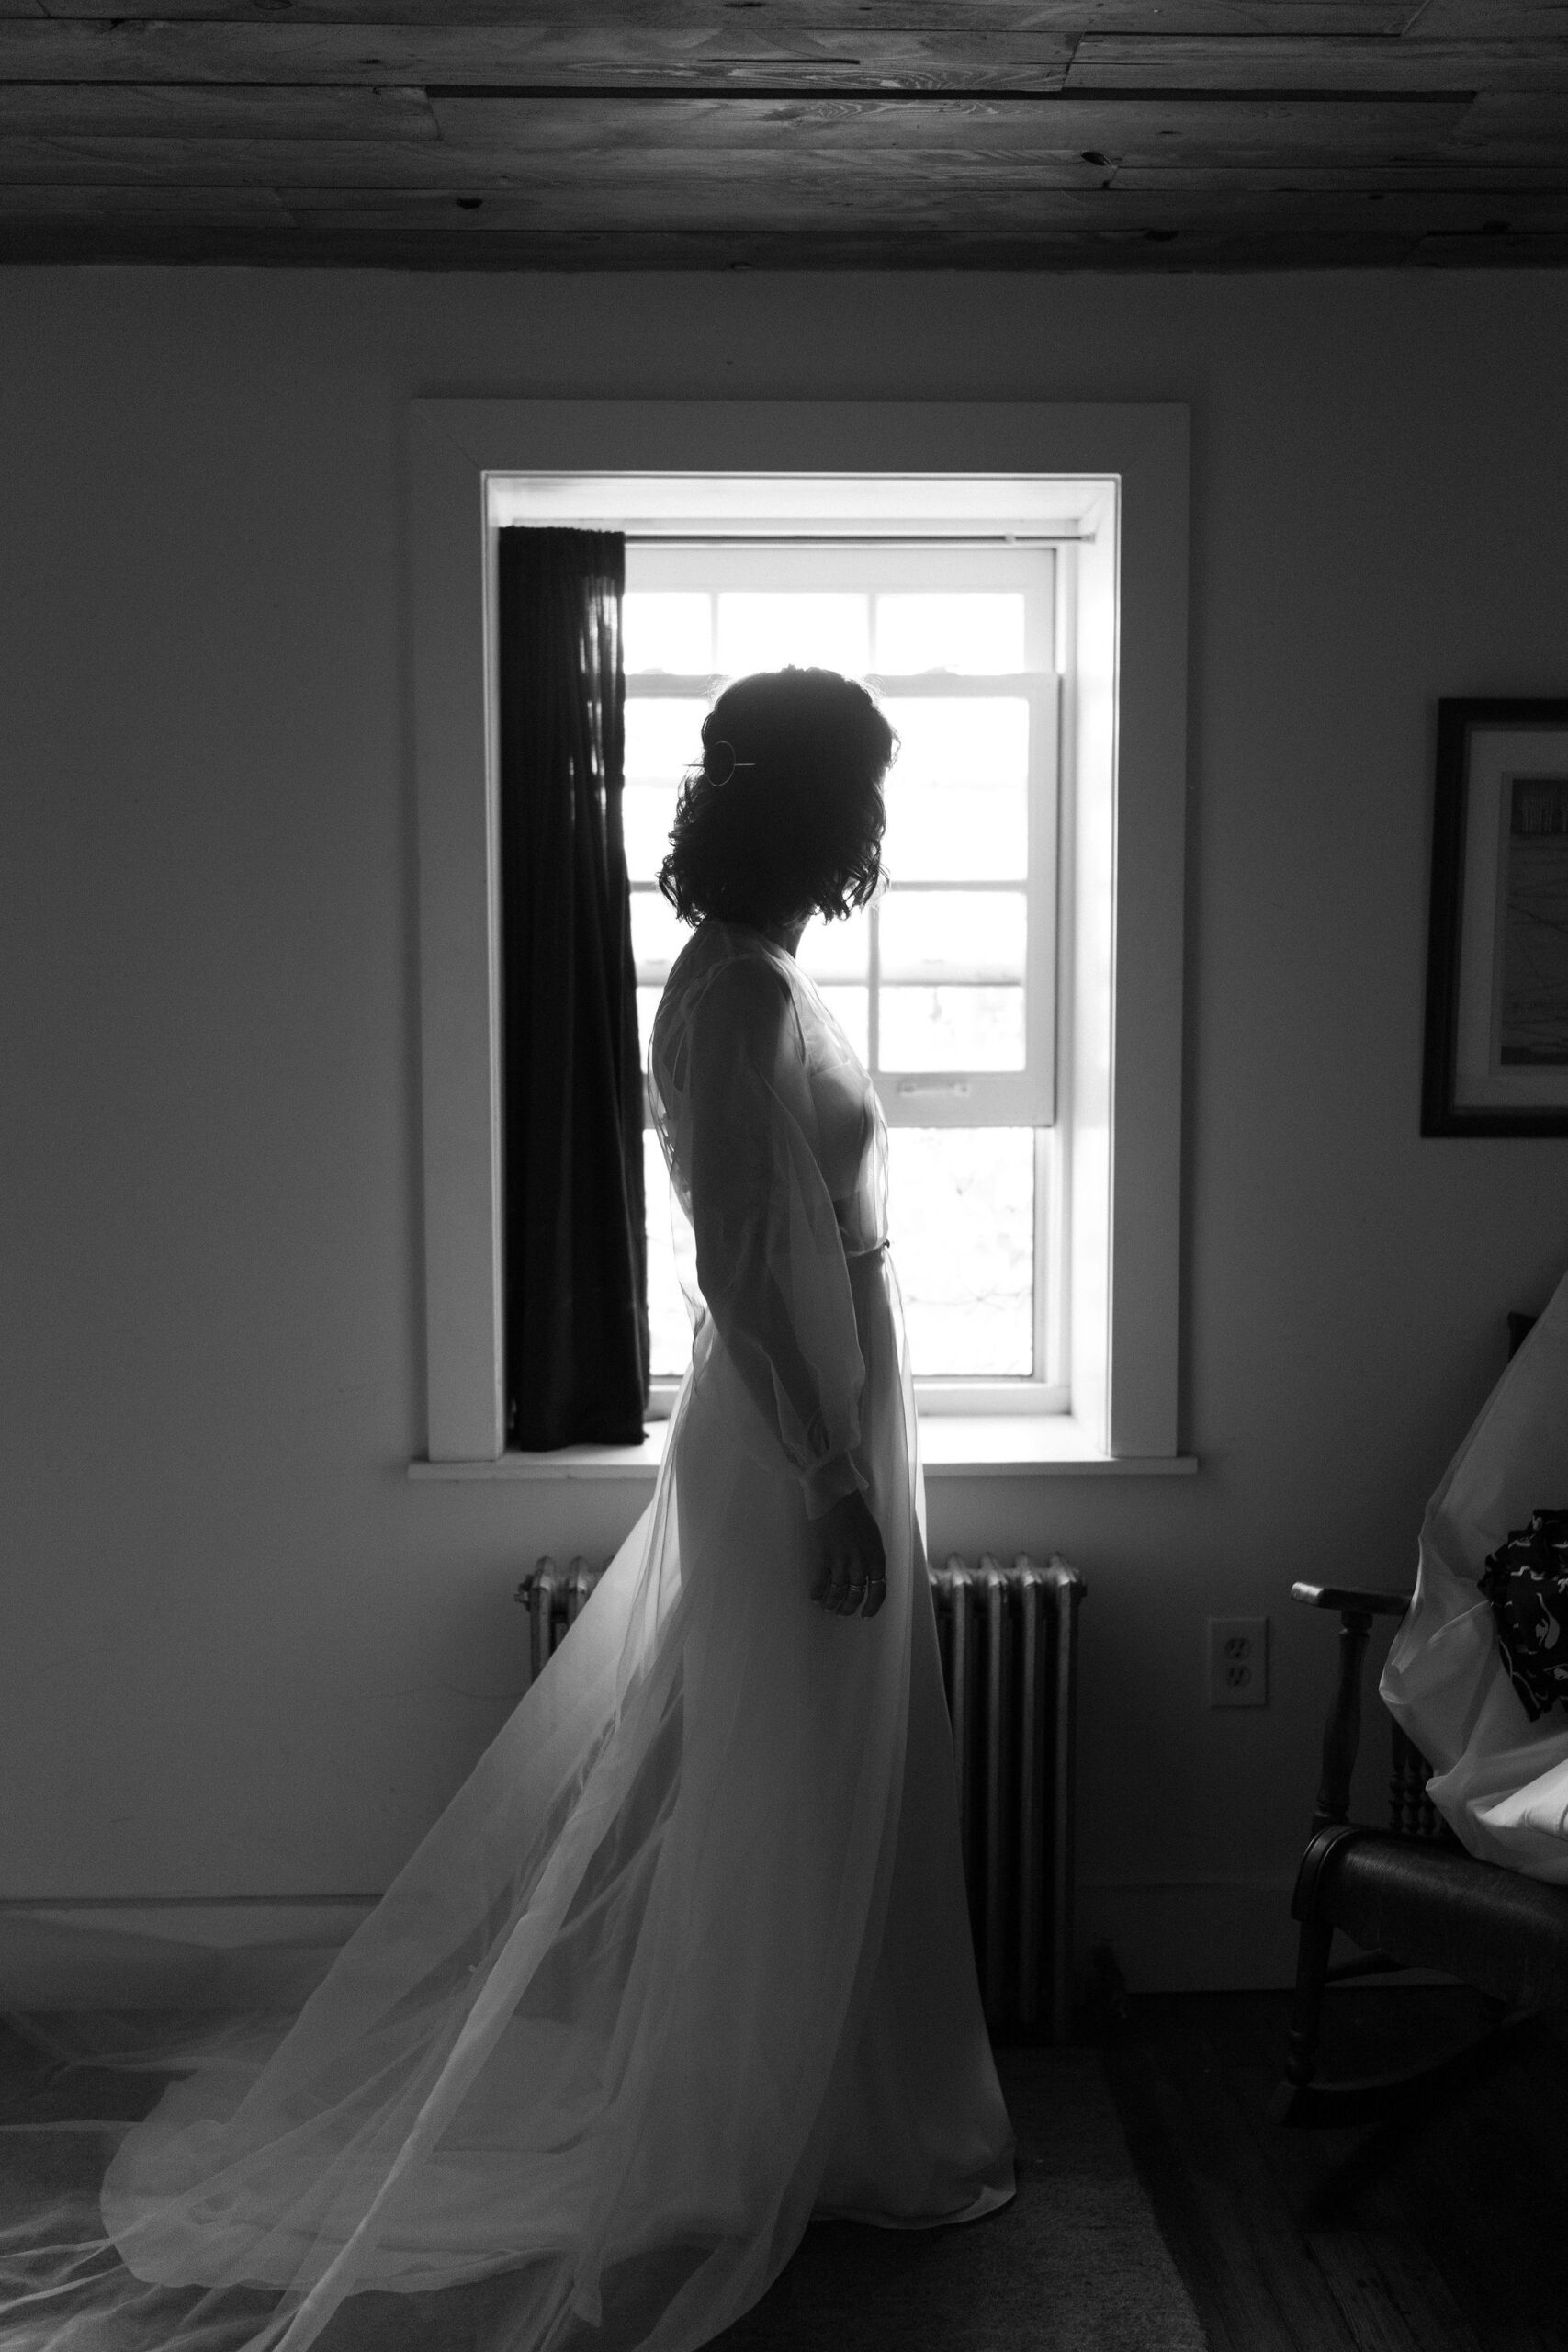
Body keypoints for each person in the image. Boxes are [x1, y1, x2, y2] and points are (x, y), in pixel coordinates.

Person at [14, 666, 1012, 2352]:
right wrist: (832, 1475)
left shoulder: (756, 976)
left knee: (828, 1780)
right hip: (797, 1447)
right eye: (868, 795)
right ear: (821, 809)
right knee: (780, 1779)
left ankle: (821, 2112)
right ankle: (740, 2135)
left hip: (840, 1406)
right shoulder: (733, 998)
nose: (879, 829)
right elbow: (731, 1269)